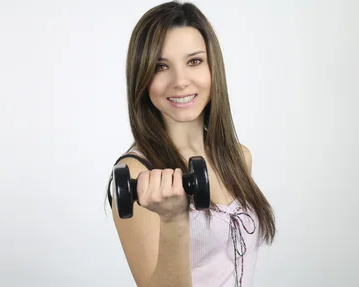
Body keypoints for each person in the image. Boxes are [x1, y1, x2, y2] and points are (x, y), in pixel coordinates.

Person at [106, 1, 276, 287]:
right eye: (161, 66)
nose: (180, 81)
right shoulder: (138, 175)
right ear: (143, 78)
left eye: (194, 61)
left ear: (213, 68)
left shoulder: (238, 157)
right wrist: (173, 219)